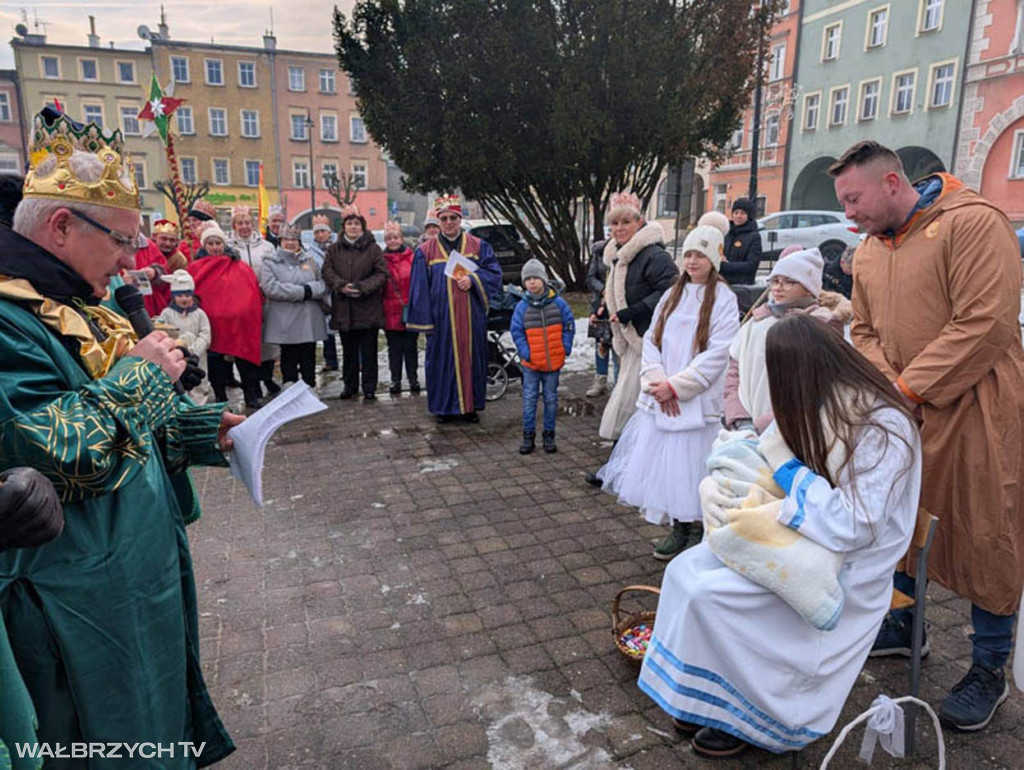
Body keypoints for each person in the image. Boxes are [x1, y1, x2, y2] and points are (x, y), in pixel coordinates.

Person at [0, 106, 237, 765]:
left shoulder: (79, 302)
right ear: (61, 225)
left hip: (129, 580)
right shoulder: (9, 320)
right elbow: (52, 453)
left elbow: (123, 431)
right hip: (73, 605)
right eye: (122, 240)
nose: (135, 260)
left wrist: (197, 432)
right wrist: (140, 377)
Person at [639, 313, 922, 759]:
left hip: (853, 561)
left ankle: (756, 714)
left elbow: (857, 524)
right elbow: (768, 449)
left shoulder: (883, 425)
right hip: (811, 530)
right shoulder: (824, 398)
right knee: (685, 572)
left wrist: (788, 481)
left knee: (715, 597)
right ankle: (708, 698)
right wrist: (720, 483)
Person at [832, 139, 1024, 731]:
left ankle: (989, 667)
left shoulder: (972, 224)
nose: (849, 215)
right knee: (901, 518)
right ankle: (905, 628)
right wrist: (892, 385)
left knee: (986, 532)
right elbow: (860, 328)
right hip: (904, 411)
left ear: (892, 183)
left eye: (854, 199)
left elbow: (984, 321)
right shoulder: (868, 252)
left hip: (977, 410)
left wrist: (908, 387)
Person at [594, 225, 739, 560]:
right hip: (663, 398)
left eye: (700, 254)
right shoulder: (672, 295)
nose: (692, 261)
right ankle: (679, 526)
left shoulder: (724, 299)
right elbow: (653, 344)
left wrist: (679, 386)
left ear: (715, 258)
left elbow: (719, 351)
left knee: (696, 467)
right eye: (688, 253)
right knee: (672, 467)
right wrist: (658, 382)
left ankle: (700, 527)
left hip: (696, 402)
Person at [724, 247, 851, 432]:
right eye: (775, 280)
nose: (778, 287)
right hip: (747, 428)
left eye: (789, 281)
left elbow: (818, 385)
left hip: (797, 429)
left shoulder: (821, 325)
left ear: (808, 287)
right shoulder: (756, 322)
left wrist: (765, 424)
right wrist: (739, 417)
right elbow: (734, 372)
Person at [407, 194, 503, 423]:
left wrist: (473, 280)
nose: (449, 222)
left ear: (460, 219)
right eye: (444, 218)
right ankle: (443, 408)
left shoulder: (478, 246)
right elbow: (419, 288)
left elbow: (494, 273)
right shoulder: (425, 251)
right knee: (441, 363)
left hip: (471, 318)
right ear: (438, 221)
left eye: (453, 218)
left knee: (472, 361)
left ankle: (470, 408)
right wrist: (426, 322)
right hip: (441, 321)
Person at [595, 191, 679, 442]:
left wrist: (633, 311)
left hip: (647, 338)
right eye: (615, 223)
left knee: (635, 402)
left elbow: (670, 291)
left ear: (639, 223)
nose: (619, 228)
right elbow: (616, 290)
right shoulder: (617, 256)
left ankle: (627, 456)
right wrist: (604, 308)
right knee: (629, 399)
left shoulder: (653, 255)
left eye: (626, 222)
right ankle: (626, 456)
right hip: (627, 337)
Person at [189, 223, 265, 410]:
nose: (215, 247)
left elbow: (252, 290)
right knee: (217, 365)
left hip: (240, 325)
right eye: (211, 243)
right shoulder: (195, 268)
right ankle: (221, 397)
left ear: (224, 244)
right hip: (213, 325)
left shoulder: (240, 266)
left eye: (218, 243)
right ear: (204, 246)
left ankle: (250, 395)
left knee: (245, 361)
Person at [322, 205, 388, 400]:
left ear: (362, 227)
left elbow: (382, 273)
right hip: (344, 308)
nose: (353, 227)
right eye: (349, 223)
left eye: (356, 223)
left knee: (369, 352)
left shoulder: (373, 248)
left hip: (367, 308)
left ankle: (369, 387)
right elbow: (327, 271)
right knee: (348, 352)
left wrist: (362, 287)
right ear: (344, 227)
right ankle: (349, 386)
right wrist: (340, 285)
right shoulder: (334, 249)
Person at [511, 258, 575, 454]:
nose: (532, 282)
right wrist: (525, 352)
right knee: (530, 399)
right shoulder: (521, 307)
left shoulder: (558, 304)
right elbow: (517, 331)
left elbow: (569, 326)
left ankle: (549, 434)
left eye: (535, 278)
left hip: (553, 363)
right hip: (531, 365)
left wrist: (565, 347)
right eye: (527, 279)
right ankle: (528, 436)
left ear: (544, 279)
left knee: (551, 399)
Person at [261, 224, 327, 388]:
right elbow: (271, 288)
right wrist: (303, 292)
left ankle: (309, 387)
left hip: (308, 319)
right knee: (288, 356)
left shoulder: (310, 261)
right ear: (280, 241)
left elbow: (323, 284)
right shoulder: (270, 262)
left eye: (294, 239)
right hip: (285, 320)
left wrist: (309, 289)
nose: (290, 243)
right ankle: (290, 388)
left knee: (308, 356)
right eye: (286, 239)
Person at [227, 204, 280, 399]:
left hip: (264, 300)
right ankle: (252, 385)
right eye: (240, 223)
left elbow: (274, 271)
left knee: (267, 342)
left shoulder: (267, 246)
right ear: (234, 225)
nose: (244, 227)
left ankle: (267, 377)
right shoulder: (228, 248)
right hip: (241, 304)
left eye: (248, 222)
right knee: (246, 345)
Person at [156, 269, 213, 405]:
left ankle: (199, 408)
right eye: (180, 295)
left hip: (197, 357)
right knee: (178, 382)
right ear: (173, 296)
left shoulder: (200, 314)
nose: (184, 299)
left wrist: (195, 350)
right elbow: (162, 331)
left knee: (199, 384)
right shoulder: (167, 314)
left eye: (187, 295)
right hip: (176, 356)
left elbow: (205, 334)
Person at [382, 220, 420, 395]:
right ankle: (395, 380)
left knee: (411, 347)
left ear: (401, 239)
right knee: (394, 349)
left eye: (396, 237)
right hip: (389, 309)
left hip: (409, 308)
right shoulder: (381, 261)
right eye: (389, 238)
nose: (393, 241)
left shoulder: (413, 258)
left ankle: (413, 378)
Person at [585, 237, 618, 398]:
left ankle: (619, 384)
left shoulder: (627, 251)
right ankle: (600, 381)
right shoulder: (598, 252)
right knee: (601, 343)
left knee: (618, 344)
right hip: (600, 305)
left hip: (618, 304)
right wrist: (603, 289)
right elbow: (590, 278)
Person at [308, 213, 339, 372]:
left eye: (323, 231)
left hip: (340, 291)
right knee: (328, 330)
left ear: (329, 232)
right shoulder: (310, 251)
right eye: (317, 232)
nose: (320, 235)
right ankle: (331, 360)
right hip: (324, 293)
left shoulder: (338, 245)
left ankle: (355, 361)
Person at [719, 198, 762, 286]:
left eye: (742, 213)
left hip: (742, 285)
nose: (738, 216)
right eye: (736, 212)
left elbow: (752, 265)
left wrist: (726, 266)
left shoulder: (754, 237)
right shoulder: (726, 233)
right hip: (722, 281)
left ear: (748, 216)